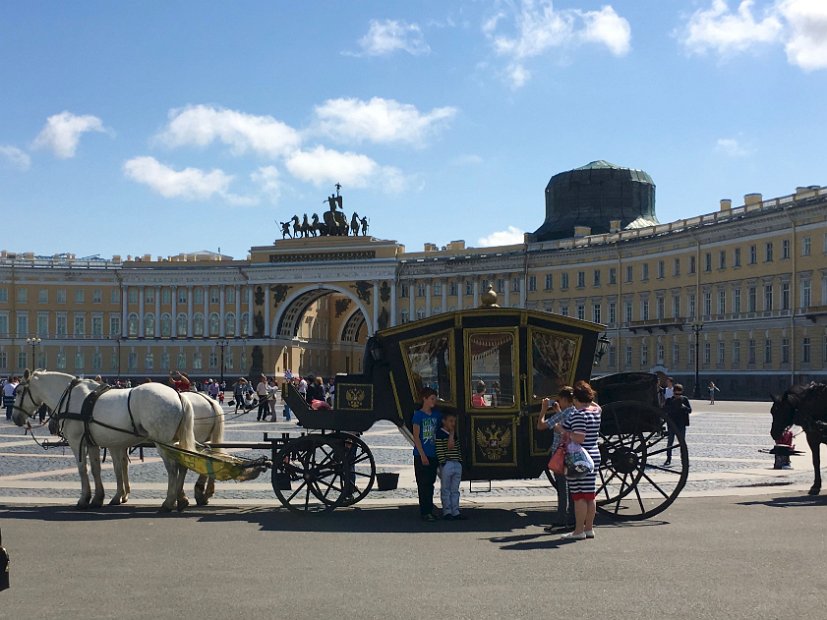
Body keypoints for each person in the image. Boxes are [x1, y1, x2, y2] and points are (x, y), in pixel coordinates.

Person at [560, 380, 601, 541]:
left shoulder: (578, 414)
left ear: (576, 399)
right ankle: (589, 528)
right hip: (594, 455)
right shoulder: (596, 411)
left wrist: (564, 431)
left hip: (578, 457)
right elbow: (596, 406)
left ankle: (578, 530)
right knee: (590, 495)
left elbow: (578, 437)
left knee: (579, 496)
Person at [537, 386, 576, 530]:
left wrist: (543, 409)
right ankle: (573, 519)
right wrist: (558, 410)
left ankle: (561, 519)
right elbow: (565, 420)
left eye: (560, 400)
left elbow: (541, 425)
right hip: (572, 453)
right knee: (572, 488)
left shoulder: (564, 414)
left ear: (565, 400)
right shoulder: (574, 412)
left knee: (562, 488)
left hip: (560, 454)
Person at [412, 387, 442, 522]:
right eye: (432, 399)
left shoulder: (437, 415)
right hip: (421, 455)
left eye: (434, 399)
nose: (434, 401)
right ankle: (425, 511)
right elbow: (416, 437)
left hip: (433, 454)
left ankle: (429, 510)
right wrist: (422, 455)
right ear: (424, 399)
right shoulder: (418, 415)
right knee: (423, 484)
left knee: (430, 483)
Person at [435, 411, 465, 520]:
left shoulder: (453, 434)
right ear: (444, 422)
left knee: (455, 489)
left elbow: (457, 448)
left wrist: (459, 461)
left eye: (454, 422)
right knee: (446, 489)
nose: (453, 424)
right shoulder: (441, 434)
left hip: (456, 463)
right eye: (451, 421)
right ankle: (447, 511)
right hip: (447, 463)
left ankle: (455, 511)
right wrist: (442, 462)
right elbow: (448, 447)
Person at [664, 384, 692, 467]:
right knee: (670, 443)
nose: (678, 396)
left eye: (679, 394)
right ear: (673, 393)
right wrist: (672, 406)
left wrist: (683, 407)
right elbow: (665, 410)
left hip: (681, 424)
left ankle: (684, 460)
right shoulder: (669, 400)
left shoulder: (684, 399)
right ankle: (668, 459)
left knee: (682, 443)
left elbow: (689, 410)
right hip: (672, 425)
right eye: (676, 394)